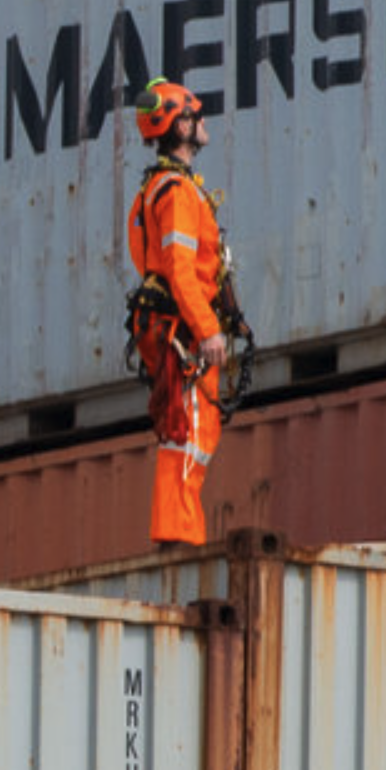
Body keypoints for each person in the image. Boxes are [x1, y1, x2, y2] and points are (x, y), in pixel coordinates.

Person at [122, 77, 248, 548]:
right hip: (184, 329)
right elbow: (177, 269)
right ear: (179, 128)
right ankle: (178, 536)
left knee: (194, 431)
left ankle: (182, 531)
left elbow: (149, 258)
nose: (203, 123)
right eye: (196, 116)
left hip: (175, 323)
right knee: (187, 431)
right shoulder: (175, 191)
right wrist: (208, 329)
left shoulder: (158, 188)